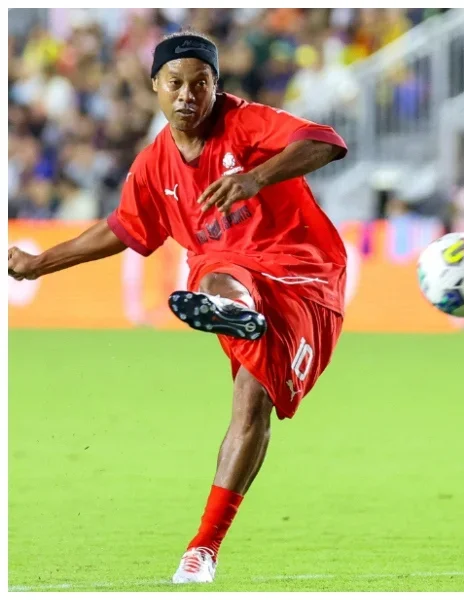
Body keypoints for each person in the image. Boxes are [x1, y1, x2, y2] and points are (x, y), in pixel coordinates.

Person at [8, 32, 349, 584]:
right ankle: (203, 550)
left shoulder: (248, 123)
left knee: (252, 406)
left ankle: (236, 309)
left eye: (201, 83)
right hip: (230, 267)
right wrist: (41, 262)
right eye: (175, 83)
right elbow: (122, 228)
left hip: (302, 273)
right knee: (215, 279)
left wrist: (255, 177)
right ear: (154, 88)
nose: (187, 94)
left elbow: (328, 143)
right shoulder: (153, 165)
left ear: (216, 87)